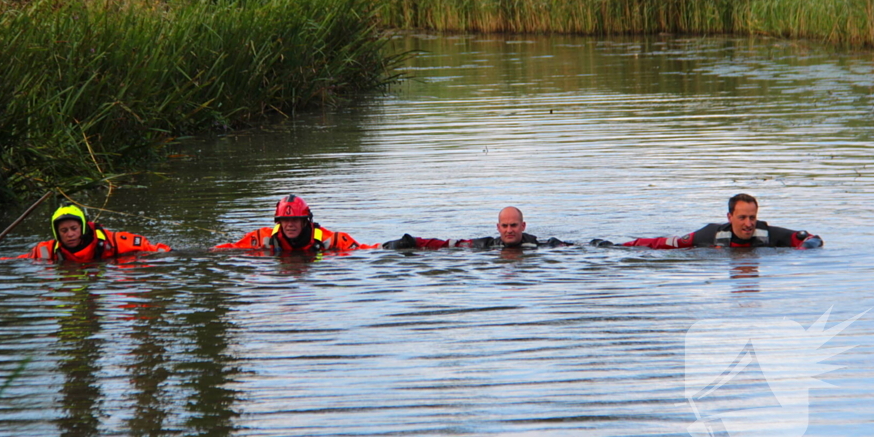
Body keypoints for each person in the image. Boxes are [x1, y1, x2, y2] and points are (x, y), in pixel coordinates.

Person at [593, 194, 823, 249]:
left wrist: (808, 246)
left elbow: (807, 238)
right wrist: (615, 247)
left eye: (752, 217)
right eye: (742, 217)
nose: (748, 224)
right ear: (729, 217)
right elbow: (665, 243)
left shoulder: (769, 235)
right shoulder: (711, 235)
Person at [211, 195, 377, 253]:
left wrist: (393, 245)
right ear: (279, 221)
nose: (290, 224)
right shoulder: (262, 237)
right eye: (285, 220)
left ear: (305, 222)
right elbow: (231, 249)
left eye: (295, 219)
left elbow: (365, 250)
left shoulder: (331, 239)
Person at [19, 204, 171, 262]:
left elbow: (154, 249)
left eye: (74, 228)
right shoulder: (46, 250)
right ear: (57, 233)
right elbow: (18, 260)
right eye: (64, 231)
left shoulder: (114, 241)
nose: (70, 234)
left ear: (83, 228)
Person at [381, 206, 569, 250]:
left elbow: (583, 245)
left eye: (513, 225)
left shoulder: (542, 245)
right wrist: (413, 242)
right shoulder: (487, 245)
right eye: (505, 226)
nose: (509, 230)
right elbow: (451, 244)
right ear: (498, 227)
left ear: (523, 226)